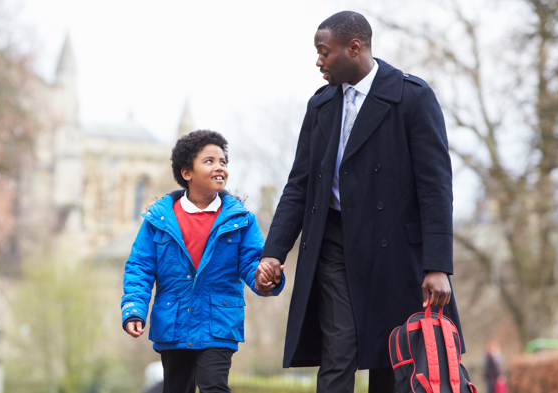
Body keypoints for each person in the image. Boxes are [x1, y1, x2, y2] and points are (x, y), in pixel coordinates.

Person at [254, 11, 465, 393]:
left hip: (397, 252)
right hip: (333, 244)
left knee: (395, 360)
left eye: (324, 51)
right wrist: (274, 251)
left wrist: (438, 265)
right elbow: (300, 185)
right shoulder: (320, 106)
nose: (318, 60)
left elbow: (436, 187)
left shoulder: (412, 98)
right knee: (338, 352)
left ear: (355, 48)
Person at [121, 130, 284, 393]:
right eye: (209, 161)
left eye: (223, 162)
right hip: (173, 325)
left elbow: (252, 263)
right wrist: (134, 309)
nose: (220, 167)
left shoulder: (241, 220)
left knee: (213, 386)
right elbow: (139, 268)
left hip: (218, 323)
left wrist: (264, 278)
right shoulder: (158, 220)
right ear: (187, 173)